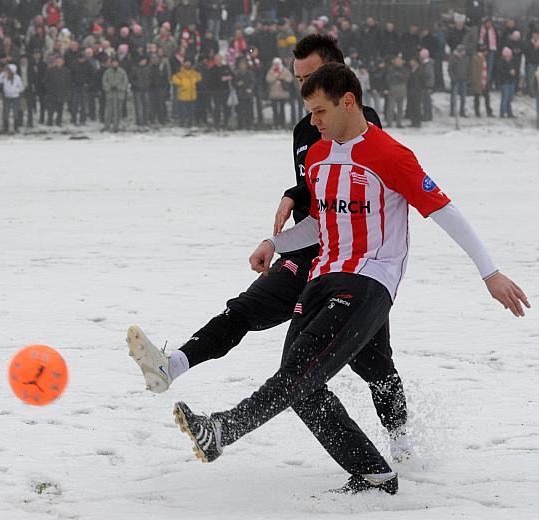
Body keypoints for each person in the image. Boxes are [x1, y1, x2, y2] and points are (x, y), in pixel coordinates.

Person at [172, 62, 529, 495]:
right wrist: (275, 243)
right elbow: (322, 224)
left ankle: (225, 429)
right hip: (320, 278)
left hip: (368, 281)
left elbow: (446, 212)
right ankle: (375, 473)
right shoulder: (320, 156)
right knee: (301, 383)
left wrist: (489, 273)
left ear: (348, 102)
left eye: (319, 112)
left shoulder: (391, 155)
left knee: (299, 371)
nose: (313, 122)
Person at [127, 35, 414, 469]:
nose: (305, 92)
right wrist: (289, 205)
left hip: (353, 261)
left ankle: (400, 445)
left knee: (374, 365)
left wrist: (293, 194)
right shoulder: (306, 127)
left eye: (312, 79)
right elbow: (316, 183)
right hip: (308, 252)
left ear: (338, 82)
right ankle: (173, 365)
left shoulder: (361, 120)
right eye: (299, 79)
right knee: (247, 311)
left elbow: (355, 172)